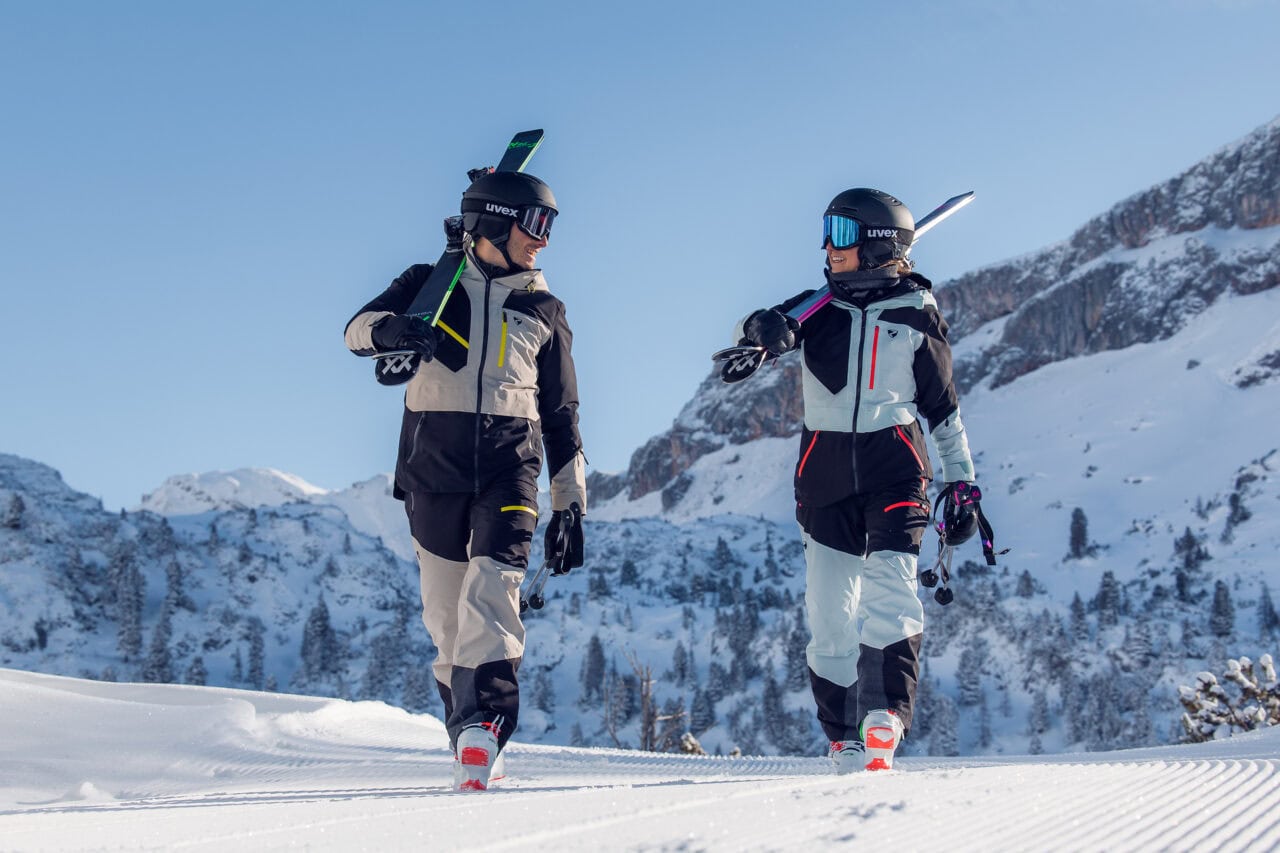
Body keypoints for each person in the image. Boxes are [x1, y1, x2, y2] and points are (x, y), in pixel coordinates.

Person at [344, 170, 586, 791]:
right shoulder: (428, 283)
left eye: (550, 226)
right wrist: (392, 330)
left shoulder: (543, 307)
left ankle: (488, 727)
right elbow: (355, 332)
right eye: (536, 225)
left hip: (511, 469)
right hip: (433, 469)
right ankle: (468, 738)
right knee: (447, 621)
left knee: (494, 592)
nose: (544, 241)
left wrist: (571, 503)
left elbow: (561, 414)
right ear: (495, 223)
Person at [730, 187, 979, 772]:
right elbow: (756, 327)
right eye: (825, 231)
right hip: (824, 474)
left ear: (876, 245)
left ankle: (884, 716)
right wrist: (762, 328)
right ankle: (842, 733)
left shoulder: (916, 312)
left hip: (895, 468)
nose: (826, 246)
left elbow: (943, 409)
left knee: (893, 590)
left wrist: (962, 483)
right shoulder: (817, 307)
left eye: (840, 234)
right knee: (830, 614)